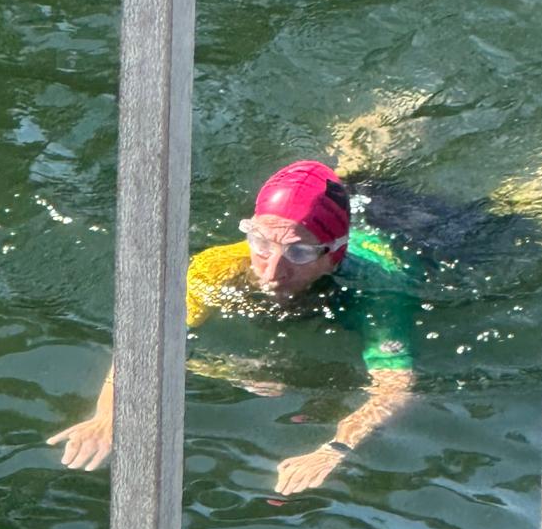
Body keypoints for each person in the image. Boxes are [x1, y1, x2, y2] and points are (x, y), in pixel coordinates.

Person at [47, 161, 417, 497]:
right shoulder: (214, 268)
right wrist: (110, 413)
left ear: (333, 256)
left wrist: (334, 450)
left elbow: (394, 386)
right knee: (352, 168)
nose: (272, 272)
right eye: (261, 244)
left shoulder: (379, 290)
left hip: (405, 226)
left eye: (299, 253)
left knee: (374, 177)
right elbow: (147, 340)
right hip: (336, 220)